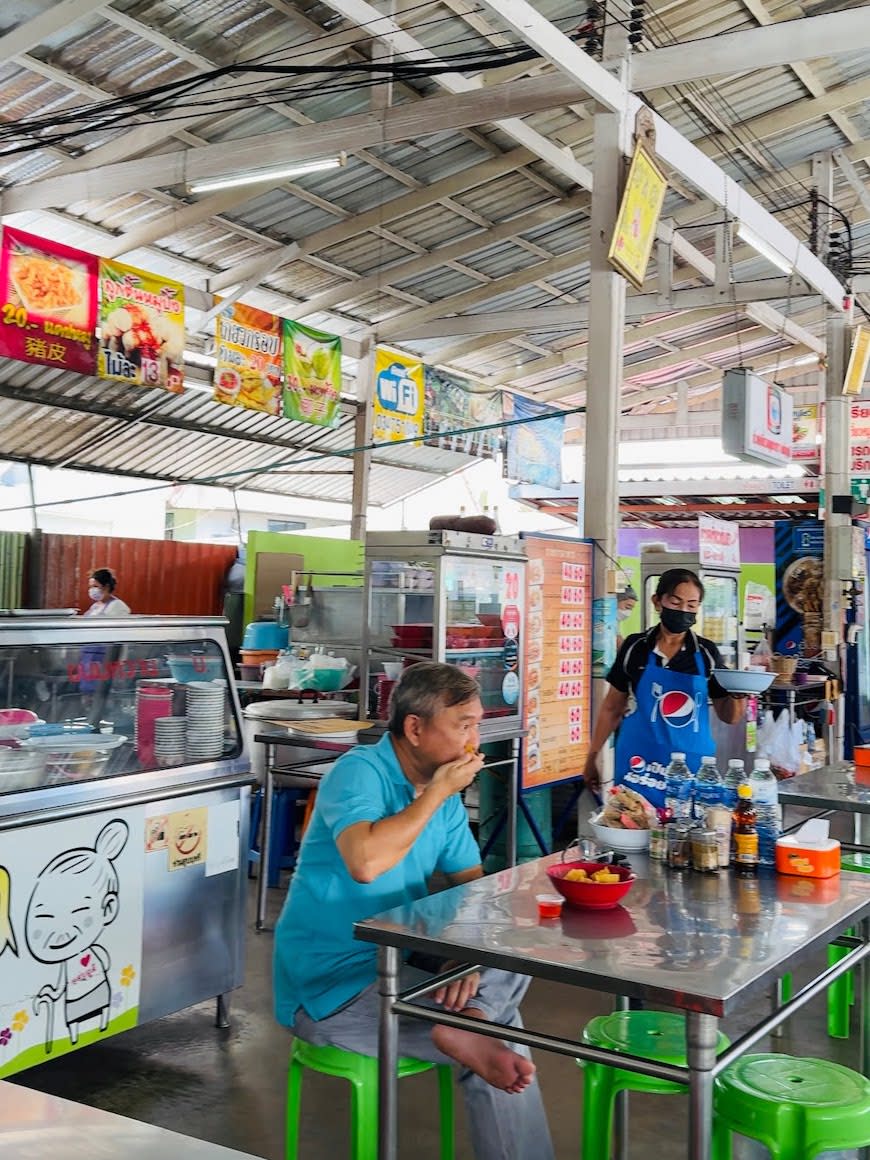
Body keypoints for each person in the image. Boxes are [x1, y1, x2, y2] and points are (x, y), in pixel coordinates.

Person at [273, 662, 553, 1160]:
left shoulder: (441, 797)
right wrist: (439, 793)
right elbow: (366, 863)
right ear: (415, 728)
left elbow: (474, 892)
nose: (475, 739)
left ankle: (470, 1019)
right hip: (331, 989)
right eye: (463, 725)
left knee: (517, 941)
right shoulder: (359, 772)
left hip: (400, 964)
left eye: (477, 725)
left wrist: (463, 956)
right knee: (500, 1037)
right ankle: (474, 1024)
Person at [583, 568, 746, 811]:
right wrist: (592, 755)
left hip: (689, 767)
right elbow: (611, 707)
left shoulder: (706, 653)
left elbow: (729, 716)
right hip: (638, 764)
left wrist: (739, 694)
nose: (683, 611)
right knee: (632, 824)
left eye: (692, 605)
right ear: (657, 601)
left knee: (683, 836)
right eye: (676, 602)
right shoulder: (634, 647)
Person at [615, 584, 638, 648]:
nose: (628, 612)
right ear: (615, 601)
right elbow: (618, 642)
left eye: (631, 609)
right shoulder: (607, 620)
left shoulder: (615, 622)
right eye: (627, 607)